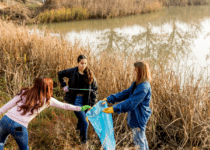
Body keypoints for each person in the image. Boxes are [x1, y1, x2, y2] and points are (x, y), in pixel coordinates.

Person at [0, 77, 91, 150]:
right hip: (19, 127)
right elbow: (64, 106)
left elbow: (8, 105)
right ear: (48, 88)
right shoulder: (47, 100)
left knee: (0, 143)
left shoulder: (24, 92)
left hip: (5, 120)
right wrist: (80, 108)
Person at [102, 61, 152, 150]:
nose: (134, 72)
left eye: (136, 70)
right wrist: (109, 99)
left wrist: (114, 108)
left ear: (141, 72)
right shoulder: (137, 84)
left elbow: (131, 102)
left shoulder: (143, 87)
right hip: (137, 117)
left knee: (139, 142)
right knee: (142, 140)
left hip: (139, 118)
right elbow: (125, 93)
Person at [58, 54, 98, 143]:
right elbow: (60, 74)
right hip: (76, 100)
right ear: (78, 63)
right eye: (81, 63)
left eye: (85, 63)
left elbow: (94, 90)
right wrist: (64, 85)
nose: (83, 65)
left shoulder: (90, 74)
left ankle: (76, 137)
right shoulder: (72, 71)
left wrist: (92, 104)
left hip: (86, 101)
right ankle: (84, 143)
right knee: (84, 122)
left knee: (81, 120)